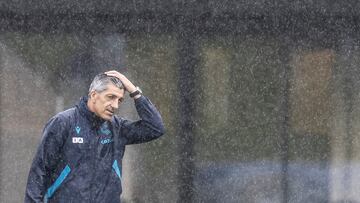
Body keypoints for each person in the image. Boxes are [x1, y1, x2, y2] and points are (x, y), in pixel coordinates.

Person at [24, 70, 165, 203]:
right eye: (111, 97)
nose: (115, 105)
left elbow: (155, 128)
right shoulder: (63, 122)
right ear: (93, 95)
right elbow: (39, 173)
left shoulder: (117, 127)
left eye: (120, 100)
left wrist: (134, 91)